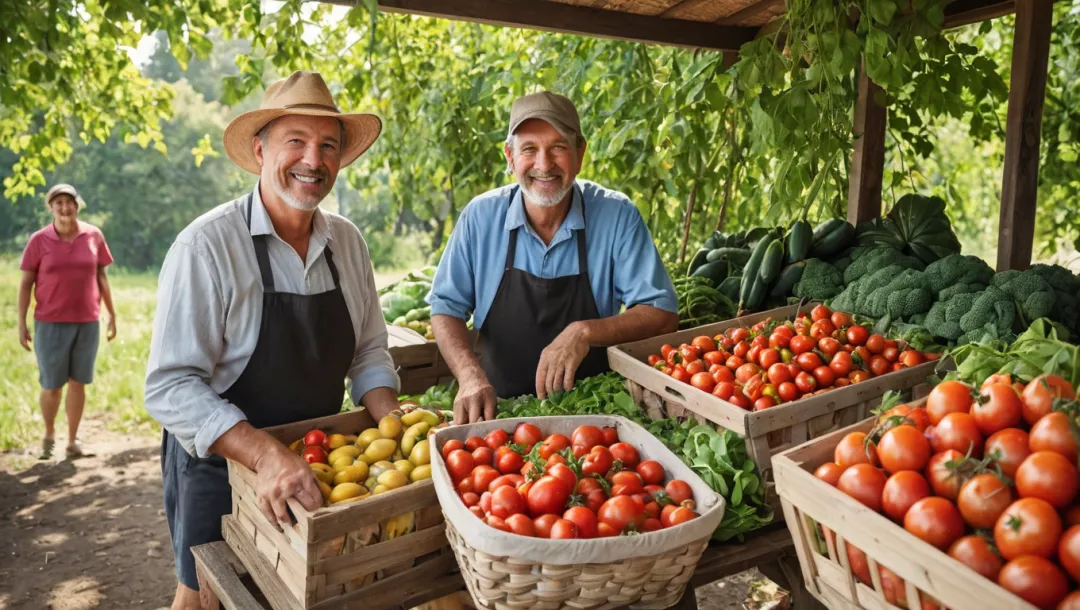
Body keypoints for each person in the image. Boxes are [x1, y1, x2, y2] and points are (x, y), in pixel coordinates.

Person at [144, 71, 400, 610]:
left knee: (294, 592)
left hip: (318, 461)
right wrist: (263, 454)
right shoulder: (206, 247)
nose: (314, 159)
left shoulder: (347, 243)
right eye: (296, 142)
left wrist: (395, 425)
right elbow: (170, 386)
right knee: (206, 593)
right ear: (260, 151)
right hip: (221, 461)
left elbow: (370, 352)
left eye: (328, 145)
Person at [428, 91, 679, 424]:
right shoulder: (480, 217)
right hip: (497, 415)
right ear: (510, 156)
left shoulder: (617, 215)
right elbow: (445, 307)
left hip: (594, 420)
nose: (544, 165)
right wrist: (469, 375)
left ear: (580, 153)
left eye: (558, 147)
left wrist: (583, 332)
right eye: (529, 149)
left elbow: (662, 313)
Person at [18, 183, 116, 460]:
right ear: (50, 207)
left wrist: (111, 315)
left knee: (78, 383)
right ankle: (49, 434)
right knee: (51, 385)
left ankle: (72, 440)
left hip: (87, 322)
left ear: (77, 205)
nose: (65, 208)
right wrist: (21, 322)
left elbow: (101, 277)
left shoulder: (93, 235)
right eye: (58, 203)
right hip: (50, 323)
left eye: (69, 202)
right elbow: (26, 283)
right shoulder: (39, 240)